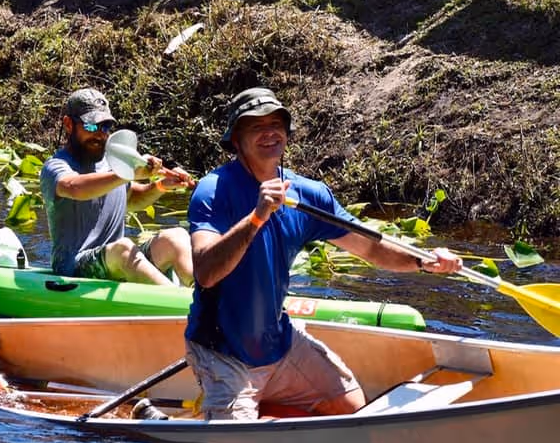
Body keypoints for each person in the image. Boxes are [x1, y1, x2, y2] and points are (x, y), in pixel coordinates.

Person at [185, 87, 463, 420]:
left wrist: (422, 260)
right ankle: (233, 410)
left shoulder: (308, 194)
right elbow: (205, 271)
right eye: (257, 126)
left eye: (277, 123)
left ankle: (261, 409)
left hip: (277, 341)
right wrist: (257, 217)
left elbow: (370, 246)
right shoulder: (213, 190)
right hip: (223, 353)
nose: (270, 132)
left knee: (349, 409)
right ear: (236, 140)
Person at [40, 88, 196, 286]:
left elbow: (131, 199)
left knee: (176, 237)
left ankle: (204, 296)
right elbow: (74, 188)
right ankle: (184, 306)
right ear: (69, 124)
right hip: (74, 269)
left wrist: (160, 186)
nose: (99, 134)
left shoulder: (111, 163)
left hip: (118, 262)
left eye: (104, 127)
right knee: (123, 248)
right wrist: (126, 173)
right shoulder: (55, 166)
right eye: (90, 126)